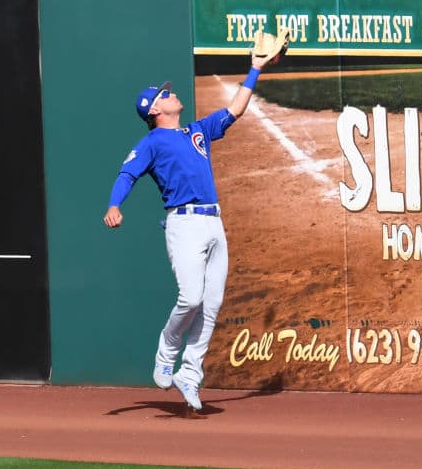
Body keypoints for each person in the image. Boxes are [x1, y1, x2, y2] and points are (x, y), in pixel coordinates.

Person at [102, 34, 285, 412]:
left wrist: (255, 69)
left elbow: (234, 110)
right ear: (155, 111)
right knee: (191, 297)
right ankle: (166, 351)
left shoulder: (196, 130)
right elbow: (127, 173)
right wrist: (115, 204)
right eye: (163, 95)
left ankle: (190, 372)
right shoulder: (153, 142)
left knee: (213, 303)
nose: (171, 95)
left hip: (213, 221)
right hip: (183, 224)